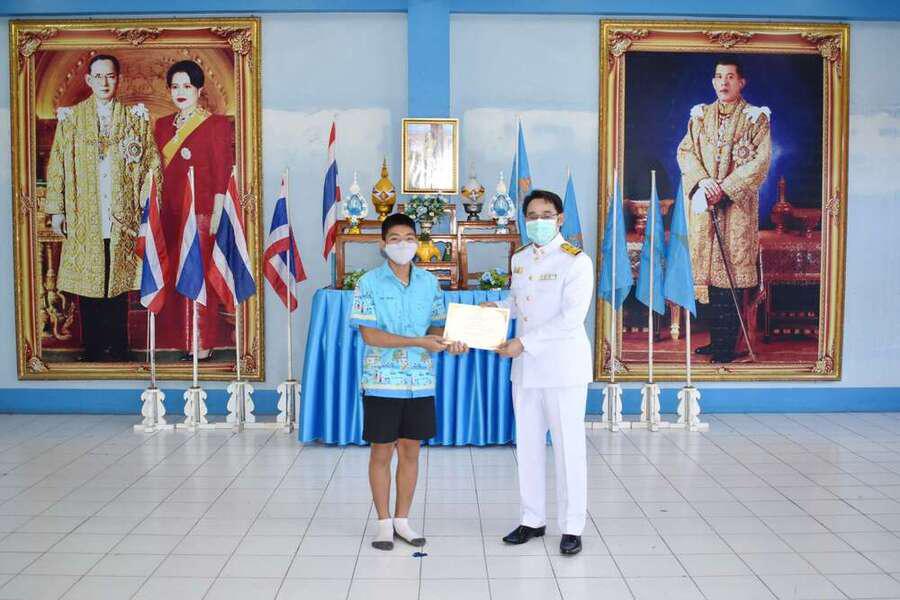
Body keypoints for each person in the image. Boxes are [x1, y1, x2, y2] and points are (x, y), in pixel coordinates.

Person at [483, 189, 594, 556]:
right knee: (528, 447)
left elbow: (571, 318)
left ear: (560, 219)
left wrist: (524, 343)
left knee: (568, 450)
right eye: (531, 215)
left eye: (546, 215)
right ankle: (532, 519)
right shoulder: (520, 258)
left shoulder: (576, 261)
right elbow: (520, 303)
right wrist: (497, 309)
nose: (538, 221)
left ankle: (572, 526)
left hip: (562, 369)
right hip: (526, 370)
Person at [349, 213, 467, 551]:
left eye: (409, 238)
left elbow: (436, 326)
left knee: (411, 451)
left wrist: (450, 341)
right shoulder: (368, 283)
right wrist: (417, 342)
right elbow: (370, 335)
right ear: (382, 244)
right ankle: (383, 523)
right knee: (381, 451)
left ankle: (403, 520)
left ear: (418, 242)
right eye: (395, 238)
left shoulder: (429, 283)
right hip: (382, 381)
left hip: (420, 381)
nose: (403, 244)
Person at [46, 54, 160, 361]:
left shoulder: (135, 118)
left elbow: (150, 163)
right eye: (98, 76)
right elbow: (57, 166)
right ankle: (94, 347)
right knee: (90, 280)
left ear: (118, 79)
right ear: (88, 80)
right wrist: (57, 210)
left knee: (117, 280)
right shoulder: (72, 120)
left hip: (122, 213)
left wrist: (149, 208)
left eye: (110, 76)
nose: (104, 82)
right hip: (85, 212)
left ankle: (118, 346)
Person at [676, 58, 772, 363]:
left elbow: (760, 162)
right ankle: (717, 340)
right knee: (710, 278)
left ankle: (726, 346)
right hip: (706, 204)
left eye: (730, 77)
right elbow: (686, 152)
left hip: (736, 209)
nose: (724, 82)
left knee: (729, 276)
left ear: (741, 82)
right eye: (719, 77)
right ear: (713, 81)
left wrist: (726, 187)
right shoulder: (700, 116)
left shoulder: (755, 118)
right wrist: (704, 182)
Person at [154, 60, 233, 359]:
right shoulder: (162, 125)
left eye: (187, 86)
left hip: (201, 213)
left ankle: (202, 343)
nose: (181, 92)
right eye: (175, 86)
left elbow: (222, 171)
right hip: (171, 214)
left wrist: (217, 213)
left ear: (199, 89)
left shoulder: (216, 125)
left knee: (198, 277)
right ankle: (184, 339)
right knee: (176, 277)